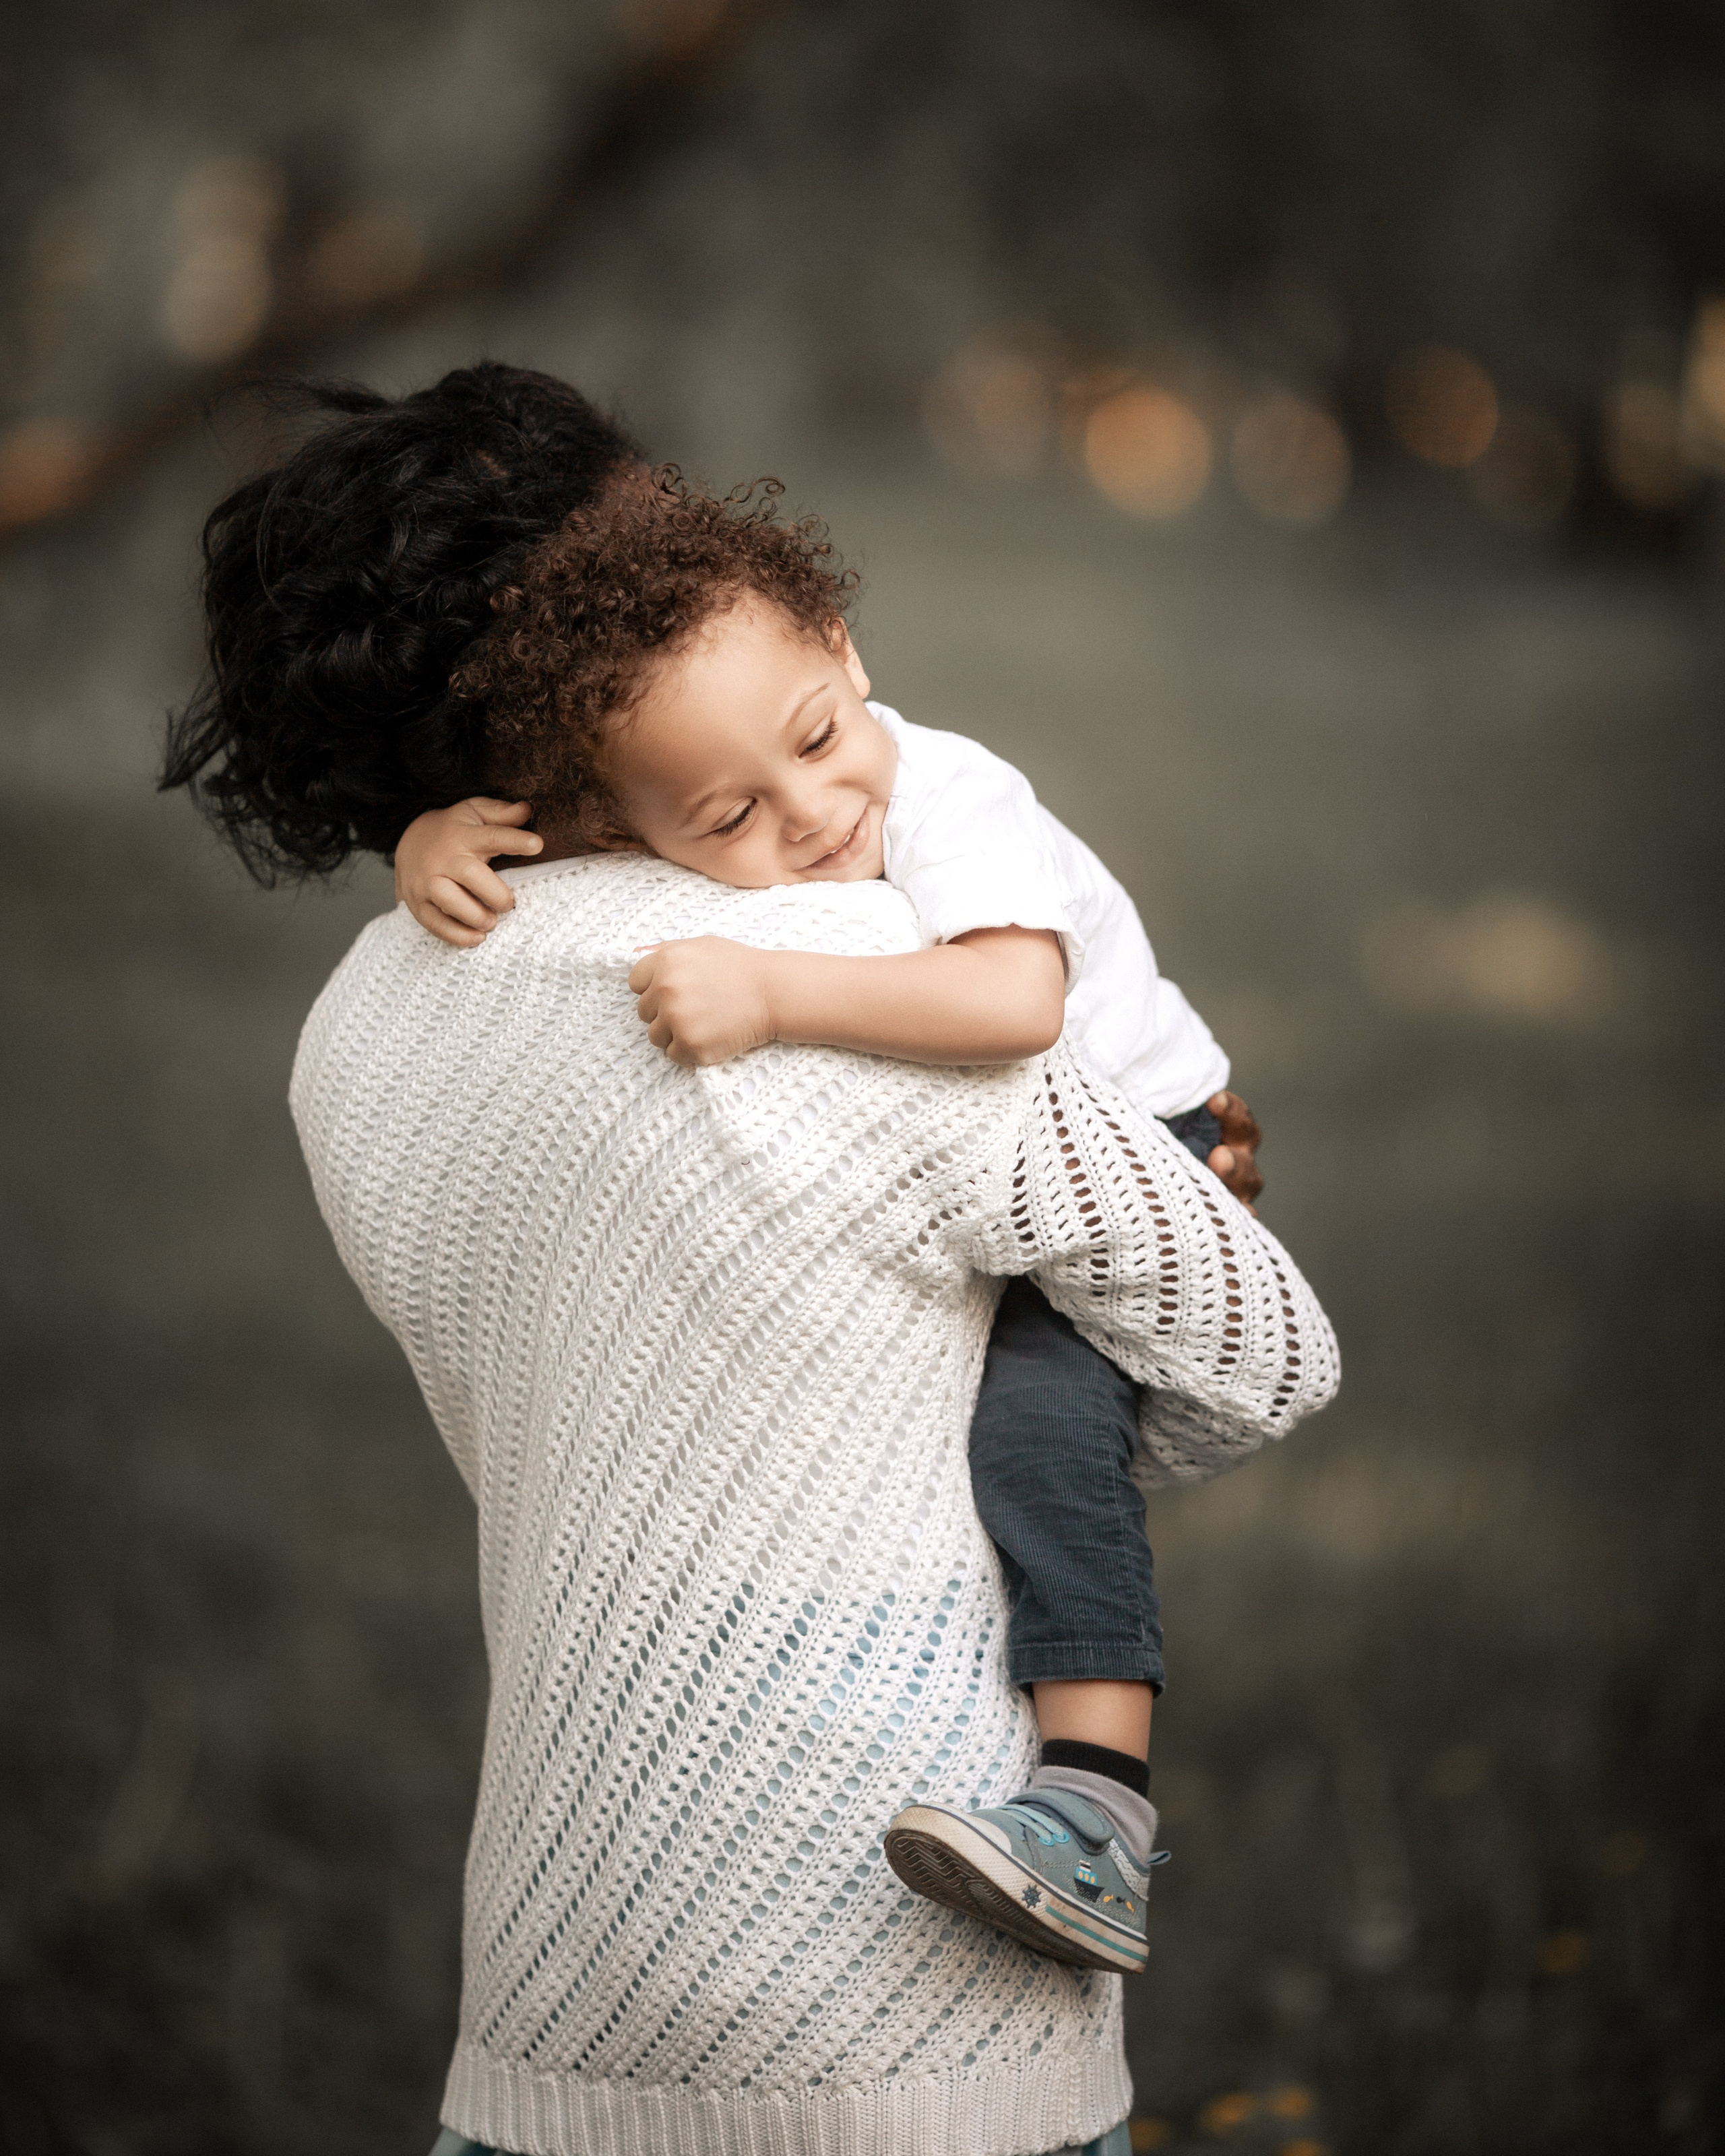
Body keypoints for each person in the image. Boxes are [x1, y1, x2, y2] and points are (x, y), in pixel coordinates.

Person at [387, 470, 1259, 1965]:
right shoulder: (673, 808)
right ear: (628, 823)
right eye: (728, 815)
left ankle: (1096, 1812)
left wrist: (771, 987)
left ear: (847, 653)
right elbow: (578, 848)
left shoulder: (950, 790)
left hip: (1150, 1135)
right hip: (1006, 1146)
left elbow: (1012, 999)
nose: (814, 816)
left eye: (817, 737)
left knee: (1037, 1432)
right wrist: (428, 846)